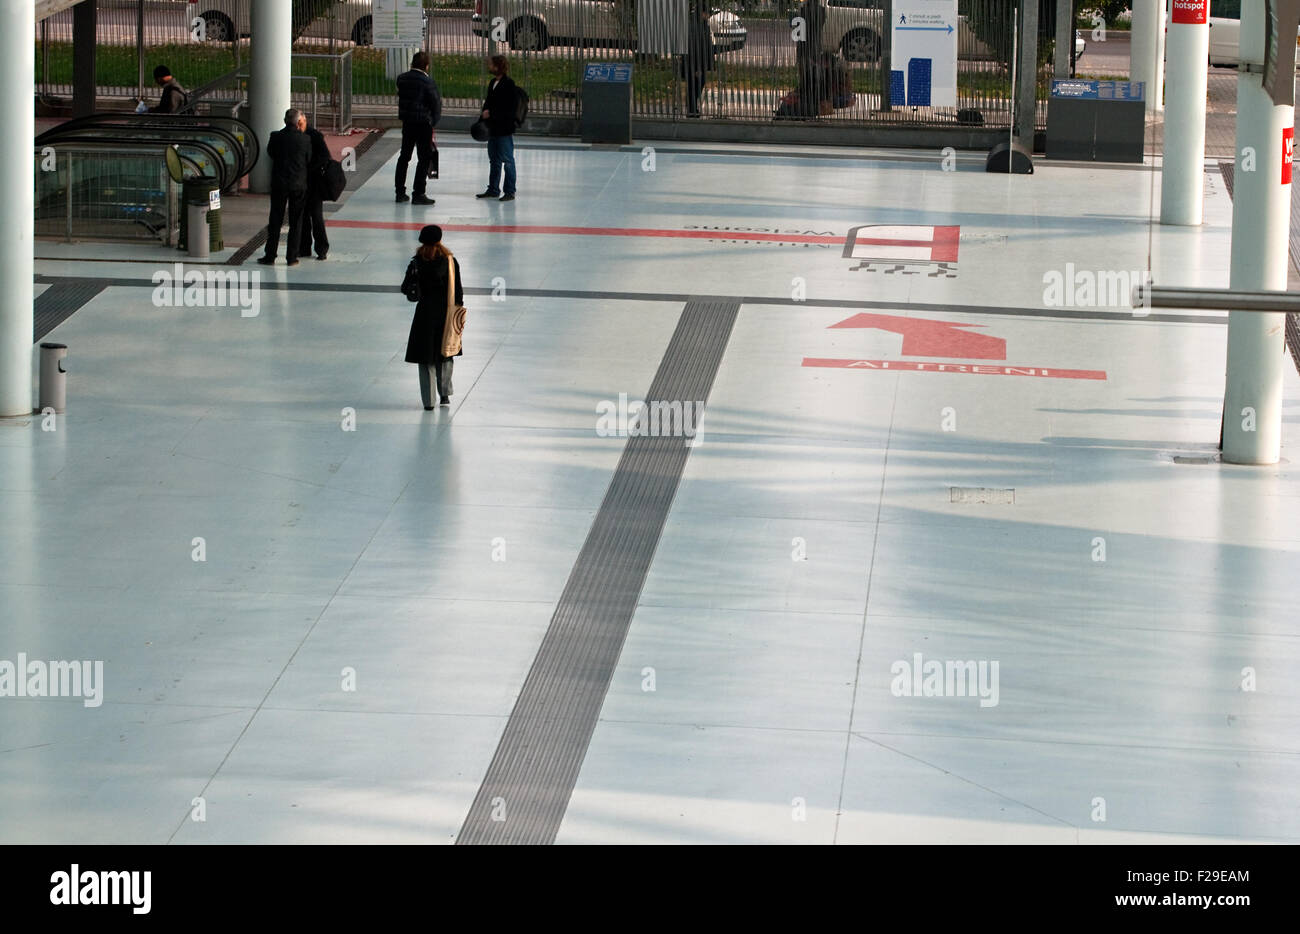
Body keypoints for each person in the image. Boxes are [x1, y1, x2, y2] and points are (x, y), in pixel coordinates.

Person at [403, 225, 463, 409]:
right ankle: (444, 394)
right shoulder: (450, 261)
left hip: (424, 315)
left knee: (425, 357)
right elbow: (458, 291)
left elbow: (406, 288)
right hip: (446, 313)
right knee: (445, 353)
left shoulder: (416, 262)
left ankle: (428, 402)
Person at [258, 109, 312, 267]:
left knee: (275, 219)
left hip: (279, 183)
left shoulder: (275, 136)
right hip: (298, 184)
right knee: (296, 221)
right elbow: (308, 159)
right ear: (298, 122)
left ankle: (270, 255)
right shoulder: (306, 139)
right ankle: (292, 257)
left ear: (284, 120)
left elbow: (271, 153)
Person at [395, 51, 442, 206]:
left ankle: (400, 192)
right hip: (423, 123)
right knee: (424, 158)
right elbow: (435, 103)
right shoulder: (428, 82)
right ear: (426, 66)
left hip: (408, 123)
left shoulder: (402, 78)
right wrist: (433, 121)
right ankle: (419, 193)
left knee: (404, 157)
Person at [476, 55, 518, 202]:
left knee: (507, 160)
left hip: (504, 130)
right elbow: (488, 103)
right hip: (493, 129)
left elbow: (509, 109)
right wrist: (482, 118)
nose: (489, 67)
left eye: (491, 65)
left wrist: (491, 113)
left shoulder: (509, 84)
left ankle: (510, 191)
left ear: (498, 66)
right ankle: (493, 189)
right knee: (494, 160)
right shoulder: (493, 82)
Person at [299, 115, 331, 261]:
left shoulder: (314, 135)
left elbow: (325, 156)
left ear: (304, 121)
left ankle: (321, 248)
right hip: (302, 183)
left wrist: (310, 168)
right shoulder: (298, 135)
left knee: (316, 216)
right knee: (304, 217)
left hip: (313, 182)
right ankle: (305, 248)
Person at [681, 3, 716, 118]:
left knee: (695, 86)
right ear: (702, 13)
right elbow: (694, 48)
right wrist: (697, 67)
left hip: (697, 63)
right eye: (706, 13)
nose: (708, 16)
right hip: (695, 64)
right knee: (694, 86)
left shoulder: (700, 25)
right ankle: (691, 110)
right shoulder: (695, 27)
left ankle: (692, 108)